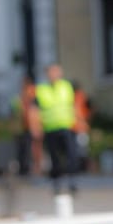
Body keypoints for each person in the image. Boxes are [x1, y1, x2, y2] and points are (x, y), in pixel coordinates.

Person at [34, 63, 78, 194]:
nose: (53, 75)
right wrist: (36, 126)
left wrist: (78, 122)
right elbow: (35, 110)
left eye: (56, 72)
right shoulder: (42, 90)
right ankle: (56, 184)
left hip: (66, 126)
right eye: (51, 73)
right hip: (50, 128)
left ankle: (72, 182)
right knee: (55, 158)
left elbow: (73, 105)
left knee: (71, 155)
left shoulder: (66, 87)